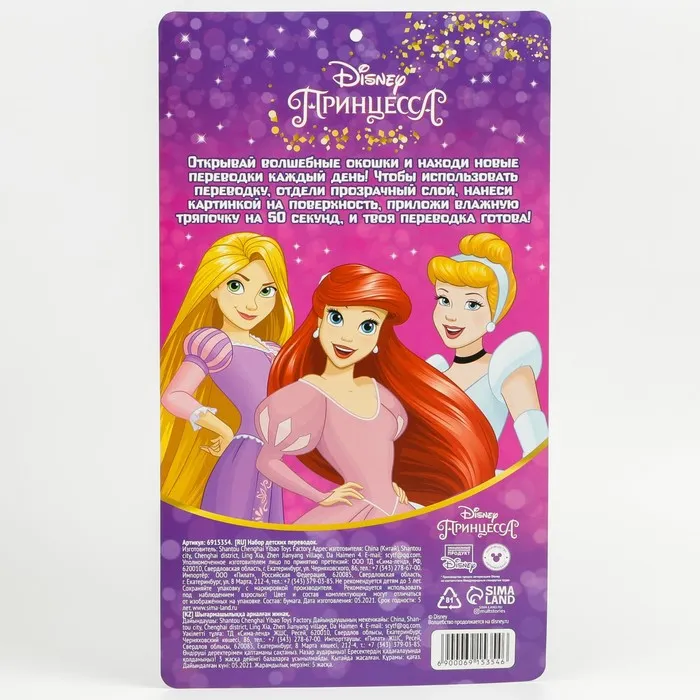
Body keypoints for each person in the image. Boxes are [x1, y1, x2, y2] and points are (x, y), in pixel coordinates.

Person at [254, 264, 498, 525]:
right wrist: (320, 496)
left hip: (398, 509)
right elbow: (267, 461)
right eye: (336, 318)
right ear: (319, 321)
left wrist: (393, 486)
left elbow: (379, 459)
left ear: (379, 336)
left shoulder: (383, 396)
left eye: (367, 326)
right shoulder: (308, 396)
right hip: (353, 514)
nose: (348, 337)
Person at [160, 232, 294, 522]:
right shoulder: (214, 343)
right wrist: (222, 429)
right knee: (234, 531)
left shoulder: (273, 352)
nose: (252, 304)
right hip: (241, 458)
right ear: (214, 287)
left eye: (266, 291)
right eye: (237, 286)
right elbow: (174, 395)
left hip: (271, 464)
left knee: (267, 538)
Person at [427, 232, 548, 457]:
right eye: (444, 300)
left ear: (494, 314)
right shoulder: (434, 373)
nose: (451, 316)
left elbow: (538, 450)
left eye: (472, 304)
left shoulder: (506, 367)